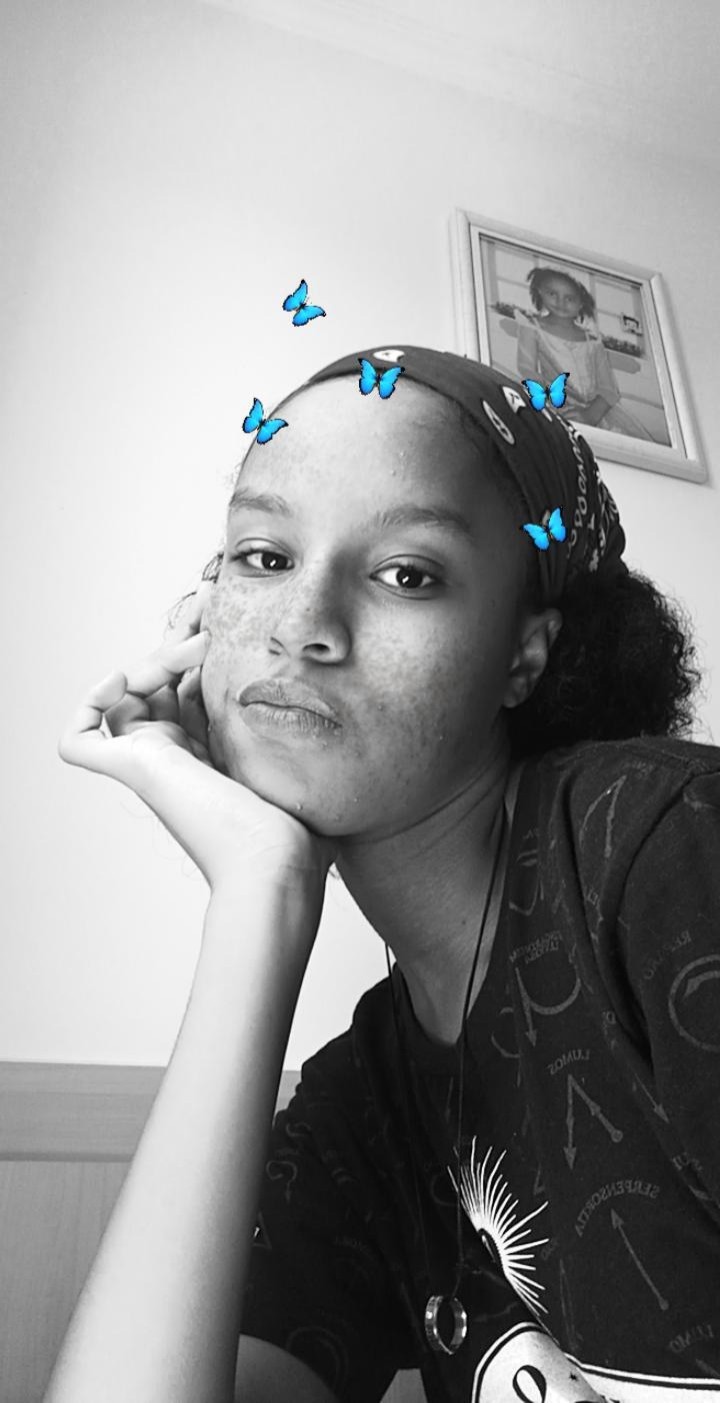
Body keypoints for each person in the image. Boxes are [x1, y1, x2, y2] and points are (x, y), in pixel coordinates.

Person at [48, 346, 718, 1403]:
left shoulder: (672, 846)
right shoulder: (365, 1104)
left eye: (408, 573)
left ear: (525, 654)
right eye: (263, 555)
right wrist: (258, 898)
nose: (302, 625)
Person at [515, 267, 656, 440]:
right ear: (540, 292)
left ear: (581, 303)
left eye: (570, 298)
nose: (560, 302)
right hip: (556, 404)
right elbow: (527, 370)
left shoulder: (592, 340)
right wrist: (547, 405)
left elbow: (609, 388)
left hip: (597, 412)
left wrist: (589, 415)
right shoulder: (531, 327)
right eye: (552, 293)